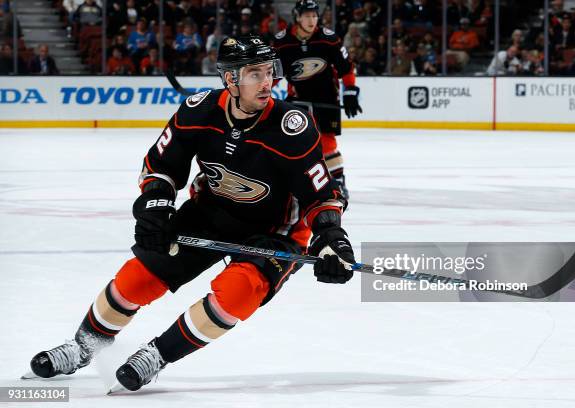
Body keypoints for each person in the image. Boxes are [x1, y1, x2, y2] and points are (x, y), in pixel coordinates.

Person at [26, 35, 354, 393]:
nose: (267, 83)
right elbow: (161, 167)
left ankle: (157, 354)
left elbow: (320, 195)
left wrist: (330, 240)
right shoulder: (198, 111)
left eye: (269, 72)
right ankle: (84, 347)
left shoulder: (293, 126)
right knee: (138, 277)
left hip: (275, 230)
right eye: (255, 74)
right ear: (231, 79)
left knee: (239, 292)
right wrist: (154, 207)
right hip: (209, 213)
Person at [273, 0, 362, 200]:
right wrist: (261, 90)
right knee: (292, 139)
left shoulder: (328, 39)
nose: (312, 20)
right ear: (297, 17)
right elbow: (275, 73)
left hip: (326, 98)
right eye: (307, 16)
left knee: (327, 141)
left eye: (314, 15)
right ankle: (296, 180)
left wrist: (350, 90)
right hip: (298, 99)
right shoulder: (282, 41)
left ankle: (338, 182)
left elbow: (346, 67)